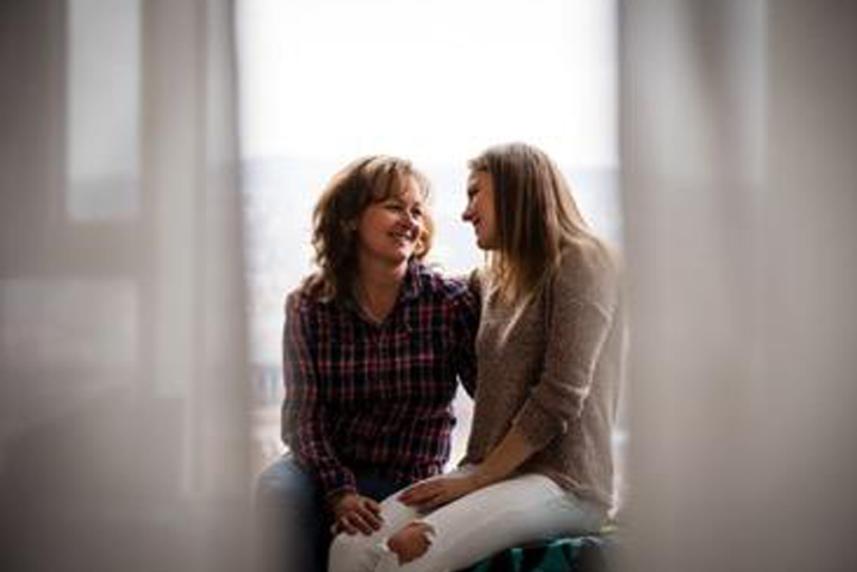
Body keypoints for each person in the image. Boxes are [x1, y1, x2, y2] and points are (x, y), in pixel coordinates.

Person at [328, 142, 626, 572]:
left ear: (513, 192)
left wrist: (478, 479)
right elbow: (422, 291)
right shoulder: (490, 280)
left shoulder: (584, 261)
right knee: (350, 547)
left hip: (564, 484)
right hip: (490, 473)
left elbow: (560, 396)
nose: (466, 212)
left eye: (474, 194)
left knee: (404, 558)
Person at [255, 156, 479, 572]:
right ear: (351, 219)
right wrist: (338, 491)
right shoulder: (309, 305)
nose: (409, 221)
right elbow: (303, 417)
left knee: (362, 542)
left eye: (416, 211)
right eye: (394, 206)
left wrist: (473, 477)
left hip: (407, 476)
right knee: (276, 490)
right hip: (325, 470)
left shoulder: (449, 302)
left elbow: (489, 393)